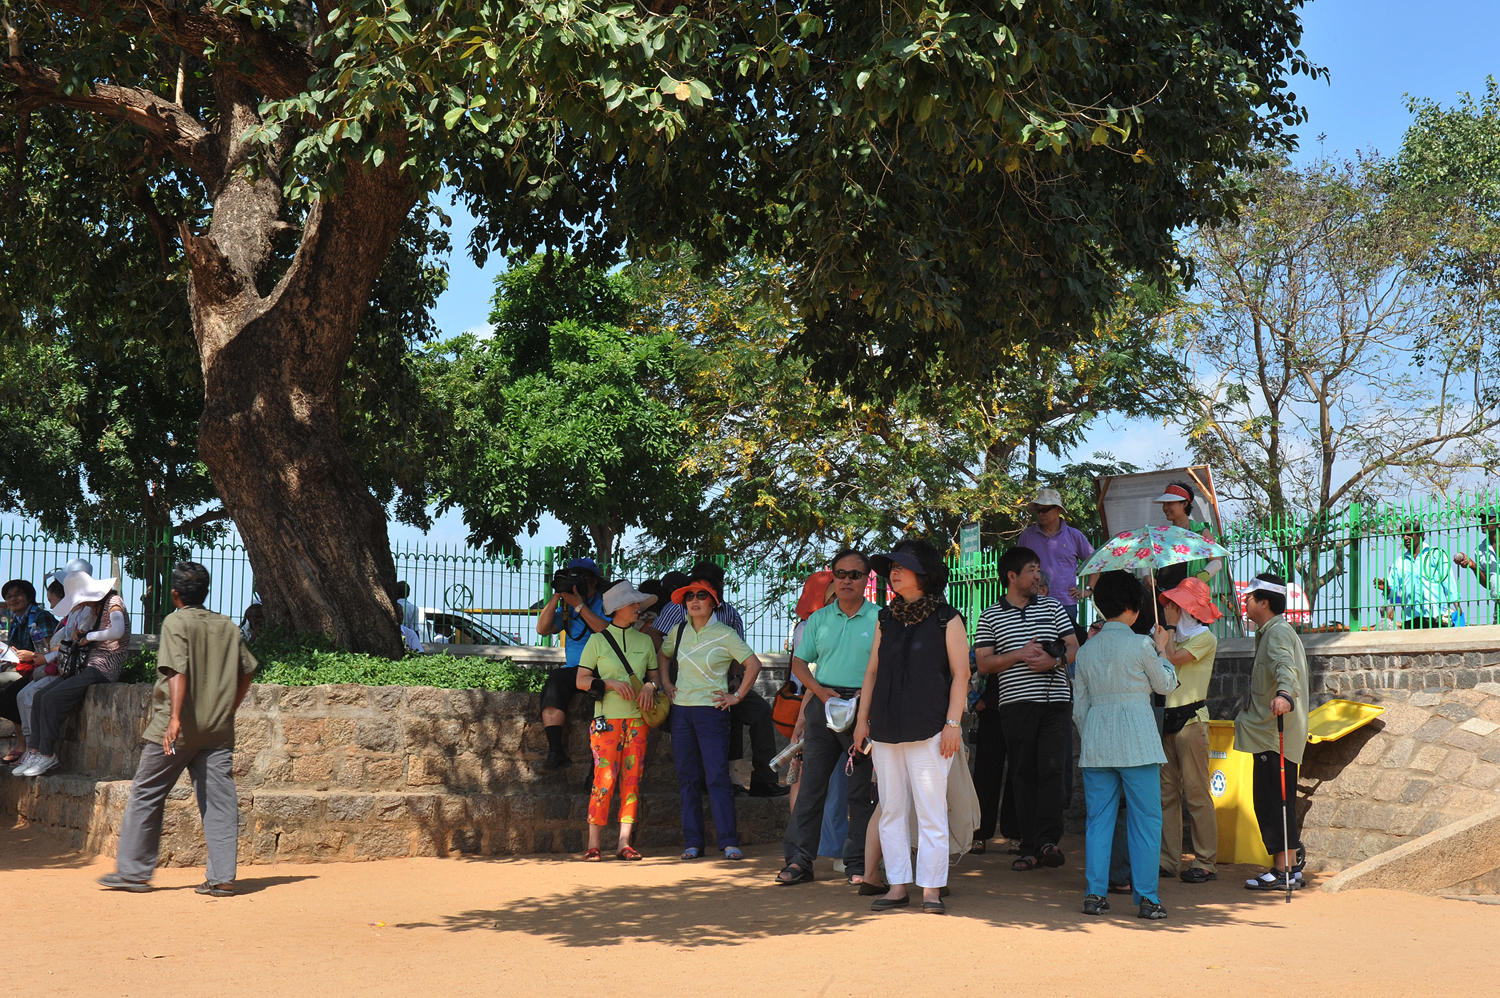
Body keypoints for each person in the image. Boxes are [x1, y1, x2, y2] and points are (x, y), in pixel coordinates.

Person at [97, 562, 258, 895]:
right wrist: (229, 708)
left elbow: (176, 670)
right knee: (220, 802)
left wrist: (174, 718)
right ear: (206, 591)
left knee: (147, 793)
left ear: (175, 595)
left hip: (176, 730)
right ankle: (222, 878)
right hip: (217, 731)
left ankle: (133, 873)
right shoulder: (226, 625)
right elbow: (247, 670)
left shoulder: (176, 622)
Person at [853, 539, 970, 914]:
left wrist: (953, 723)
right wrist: (862, 720)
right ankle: (897, 886)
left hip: (932, 728)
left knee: (931, 812)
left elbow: (962, 674)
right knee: (891, 810)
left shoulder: (947, 618)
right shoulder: (885, 618)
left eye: (902, 565)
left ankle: (932, 890)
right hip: (886, 728)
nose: (894, 571)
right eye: (892, 566)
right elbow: (872, 672)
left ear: (925, 573)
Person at [1073, 571, 1177, 919]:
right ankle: (1147, 898)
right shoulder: (1142, 645)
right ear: (1134, 607)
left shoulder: (1086, 651)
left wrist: (1092, 735)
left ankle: (1094, 895)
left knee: (1098, 820)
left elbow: (1079, 709)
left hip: (1097, 743)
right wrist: (1162, 648)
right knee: (1146, 820)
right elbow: (1164, 685)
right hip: (1138, 743)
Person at [775, 549, 879, 887]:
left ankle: (858, 863)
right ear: (833, 577)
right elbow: (800, 664)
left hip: (863, 708)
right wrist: (820, 694)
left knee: (860, 792)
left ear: (866, 579)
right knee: (811, 788)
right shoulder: (819, 619)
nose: (847, 580)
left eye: (855, 574)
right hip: (824, 705)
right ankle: (799, 861)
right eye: (841, 573)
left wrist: (867, 705)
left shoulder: (881, 618)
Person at [974, 546, 1078, 871]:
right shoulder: (990, 615)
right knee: (1023, 773)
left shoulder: (1053, 607)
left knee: (1052, 770)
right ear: (1012, 576)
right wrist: (1019, 654)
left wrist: (1054, 660)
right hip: (1015, 705)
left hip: (1056, 703)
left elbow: (1073, 646)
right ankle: (1028, 846)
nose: (1037, 576)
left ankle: (1048, 842)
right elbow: (984, 663)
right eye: (1031, 570)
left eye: (1037, 569)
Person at [651, 560, 783, 798]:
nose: (696, 597)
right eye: (693, 590)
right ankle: (717, 778)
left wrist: (737, 682)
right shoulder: (677, 608)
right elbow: (654, 635)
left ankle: (764, 779)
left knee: (759, 710)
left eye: (706, 590)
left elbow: (742, 654)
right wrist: (669, 674)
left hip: (723, 682)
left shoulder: (729, 613)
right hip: (684, 686)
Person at [659, 577, 763, 861]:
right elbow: (663, 655)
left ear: (713, 602)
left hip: (712, 712)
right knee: (687, 778)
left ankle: (729, 842)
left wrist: (737, 696)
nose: (694, 600)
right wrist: (666, 682)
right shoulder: (678, 630)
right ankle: (692, 842)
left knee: (717, 777)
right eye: (689, 596)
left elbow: (753, 664)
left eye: (701, 595)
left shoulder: (726, 633)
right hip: (681, 711)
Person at [15, 568, 130, 778]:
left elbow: (118, 630)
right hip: (87, 665)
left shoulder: (114, 602)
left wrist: (89, 637)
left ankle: (47, 754)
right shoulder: (94, 608)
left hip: (104, 667)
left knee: (51, 699)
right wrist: (82, 635)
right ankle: (35, 751)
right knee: (40, 697)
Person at [576, 580, 661, 861]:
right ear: (617, 608)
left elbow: (654, 677)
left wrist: (650, 686)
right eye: (632, 603)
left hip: (638, 721)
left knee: (632, 780)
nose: (638, 607)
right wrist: (609, 683)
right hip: (606, 721)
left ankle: (624, 842)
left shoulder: (645, 641)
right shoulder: (597, 641)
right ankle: (593, 844)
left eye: (637, 603)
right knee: (604, 778)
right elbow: (581, 681)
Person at [1237, 573, 1312, 892]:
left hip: (1274, 733)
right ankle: (1289, 868)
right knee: (1277, 801)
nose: (1245, 601)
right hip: (1269, 733)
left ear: (1264, 602)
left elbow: (1285, 668)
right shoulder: (1271, 631)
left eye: (1250, 597)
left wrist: (1284, 694)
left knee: (1273, 803)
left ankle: (1283, 871)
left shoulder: (1277, 633)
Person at [1156, 577, 1222, 884]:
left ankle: (1206, 861)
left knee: (1196, 792)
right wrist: (1165, 633)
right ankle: (1168, 861)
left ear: (1191, 610)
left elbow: (1170, 659)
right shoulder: (1169, 635)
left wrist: (1168, 630)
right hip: (1166, 719)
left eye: (1177, 605)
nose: (1171, 610)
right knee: (1166, 794)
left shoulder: (1204, 638)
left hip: (1192, 720)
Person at [535, 557, 611, 772]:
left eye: (581, 578)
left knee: (600, 706)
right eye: (571, 578)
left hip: (603, 668)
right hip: (575, 669)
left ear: (594, 581)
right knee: (554, 682)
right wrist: (558, 595)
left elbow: (606, 631)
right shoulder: (566, 607)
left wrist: (580, 605)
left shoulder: (606, 603)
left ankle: (596, 770)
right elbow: (542, 629)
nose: (576, 582)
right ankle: (556, 752)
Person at [0, 578, 59, 764]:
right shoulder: (16, 621)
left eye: (17, 594)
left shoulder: (41, 617)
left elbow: (52, 650)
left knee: (10, 694)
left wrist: (31, 655)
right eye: (8, 596)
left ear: (29, 596)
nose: (13, 599)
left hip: (41, 669)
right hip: (22, 668)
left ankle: (23, 743)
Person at [1017, 487, 1098, 624]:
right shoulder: (1027, 536)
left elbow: (1095, 562)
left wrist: (1088, 589)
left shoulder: (1074, 536)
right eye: (1038, 511)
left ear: (1058, 510)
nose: (1041, 514)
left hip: (1065, 604)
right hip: (1033, 603)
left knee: (1066, 639)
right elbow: (1017, 568)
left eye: (1045, 510)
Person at [1374, 522, 1458, 629]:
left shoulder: (1436, 554)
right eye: (1403, 535)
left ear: (1421, 534)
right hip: (1411, 618)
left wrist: (1458, 609)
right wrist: (1387, 588)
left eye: (1409, 534)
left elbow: (1449, 584)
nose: (1405, 538)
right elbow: (1393, 592)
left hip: (1435, 615)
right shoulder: (1400, 562)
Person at [1151, 481, 1226, 593]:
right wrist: (1146, 576)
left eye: (1169, 503)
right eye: (1164, 504)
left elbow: (1216, 562)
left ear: (1185, 504)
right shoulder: (1162, 535)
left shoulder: (1201, 533)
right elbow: (1149, 558)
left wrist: (1199, 578)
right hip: (1162, 593)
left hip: (1189, 595)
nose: (1165, 508)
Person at [1455, 505, 1500, 625]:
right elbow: (1488, 584)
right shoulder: (1480, 550)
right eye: (1482, 519)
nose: (1483, 522)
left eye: (1488, 519)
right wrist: (1474, 567)